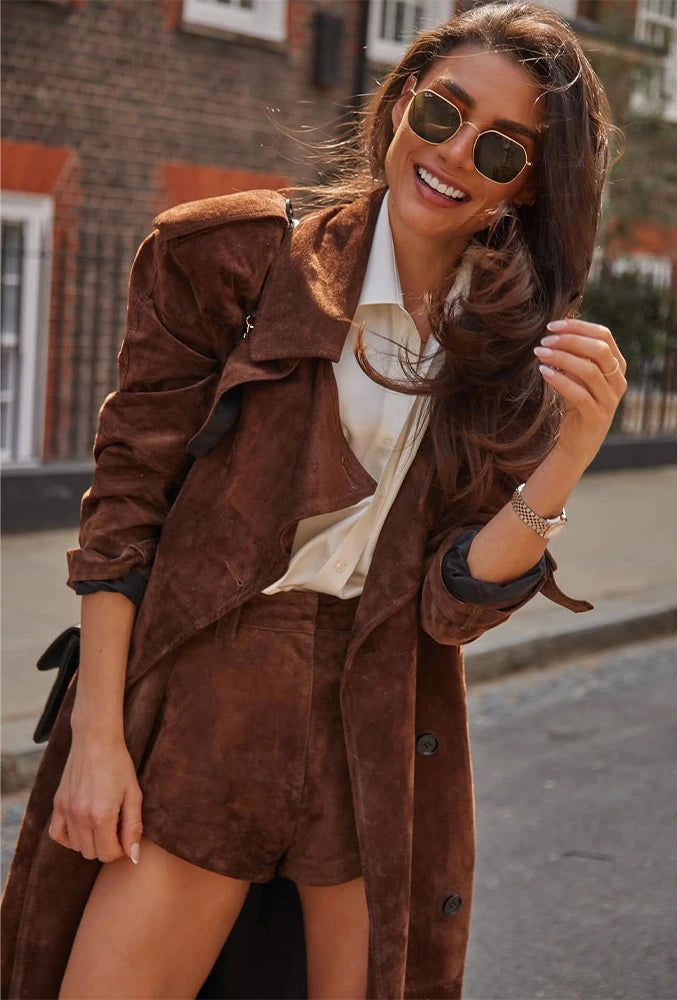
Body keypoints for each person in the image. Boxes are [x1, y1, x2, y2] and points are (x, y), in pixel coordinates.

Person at [1, 3, 627, 998]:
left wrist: (561, 462)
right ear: (398, 105)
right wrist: (96, 742)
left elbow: (447, 607)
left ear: (521, 191)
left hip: (371, 737)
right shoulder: (230, 262)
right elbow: (123, 510)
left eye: (498, 147)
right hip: (209, 708)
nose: (455, 151)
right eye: (442, 112)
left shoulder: (507, 358)